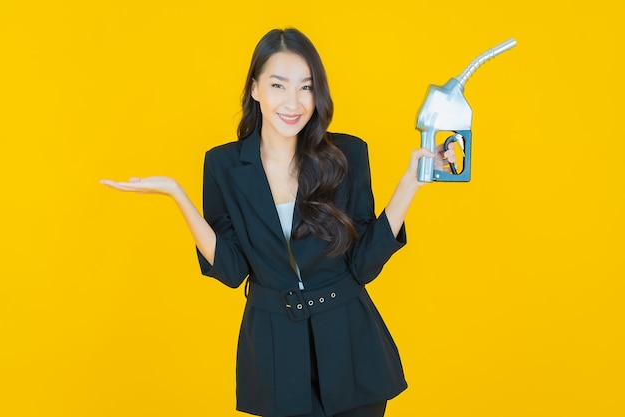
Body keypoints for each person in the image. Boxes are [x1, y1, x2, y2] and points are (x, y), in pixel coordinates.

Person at [101, 28, 456, 417]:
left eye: (306, 87)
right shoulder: (223, 165)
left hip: (353, 348)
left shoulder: (347, 155)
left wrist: (411, 182)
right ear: (255, 89)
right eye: (278, 85)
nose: (293, 102)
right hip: (274, 354)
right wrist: (179, 196)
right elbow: (233, 269)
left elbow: (363, 266)